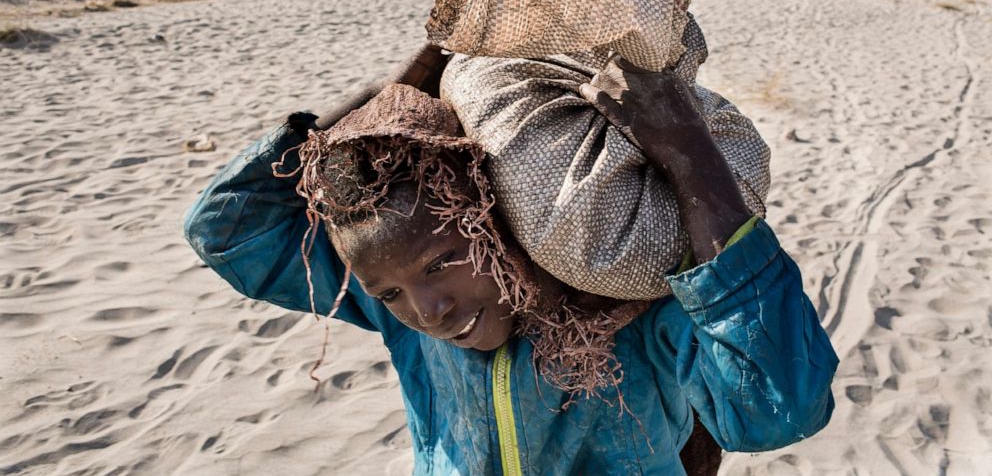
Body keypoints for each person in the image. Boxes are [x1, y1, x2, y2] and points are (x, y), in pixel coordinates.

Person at [184, 43, 838, 475]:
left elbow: (778, 408)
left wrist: (690, 153)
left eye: (440, 261)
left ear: (491, 220)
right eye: (391, 292)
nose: (428, 309)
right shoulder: (404, 320)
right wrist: (385, 98)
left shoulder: (636, 319)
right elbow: (221, 229)